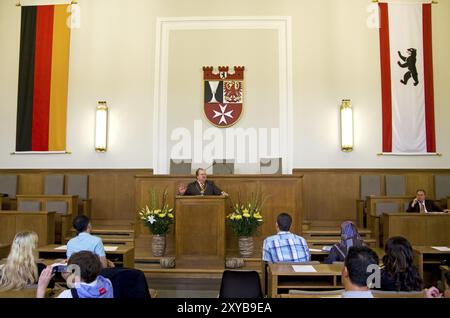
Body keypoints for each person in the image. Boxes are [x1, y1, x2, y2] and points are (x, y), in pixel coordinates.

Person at [37, 251, 114, 298]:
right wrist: (69, 279)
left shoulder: (67, 295)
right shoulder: (107, 283)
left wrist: (41, 288)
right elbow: (84, 287)